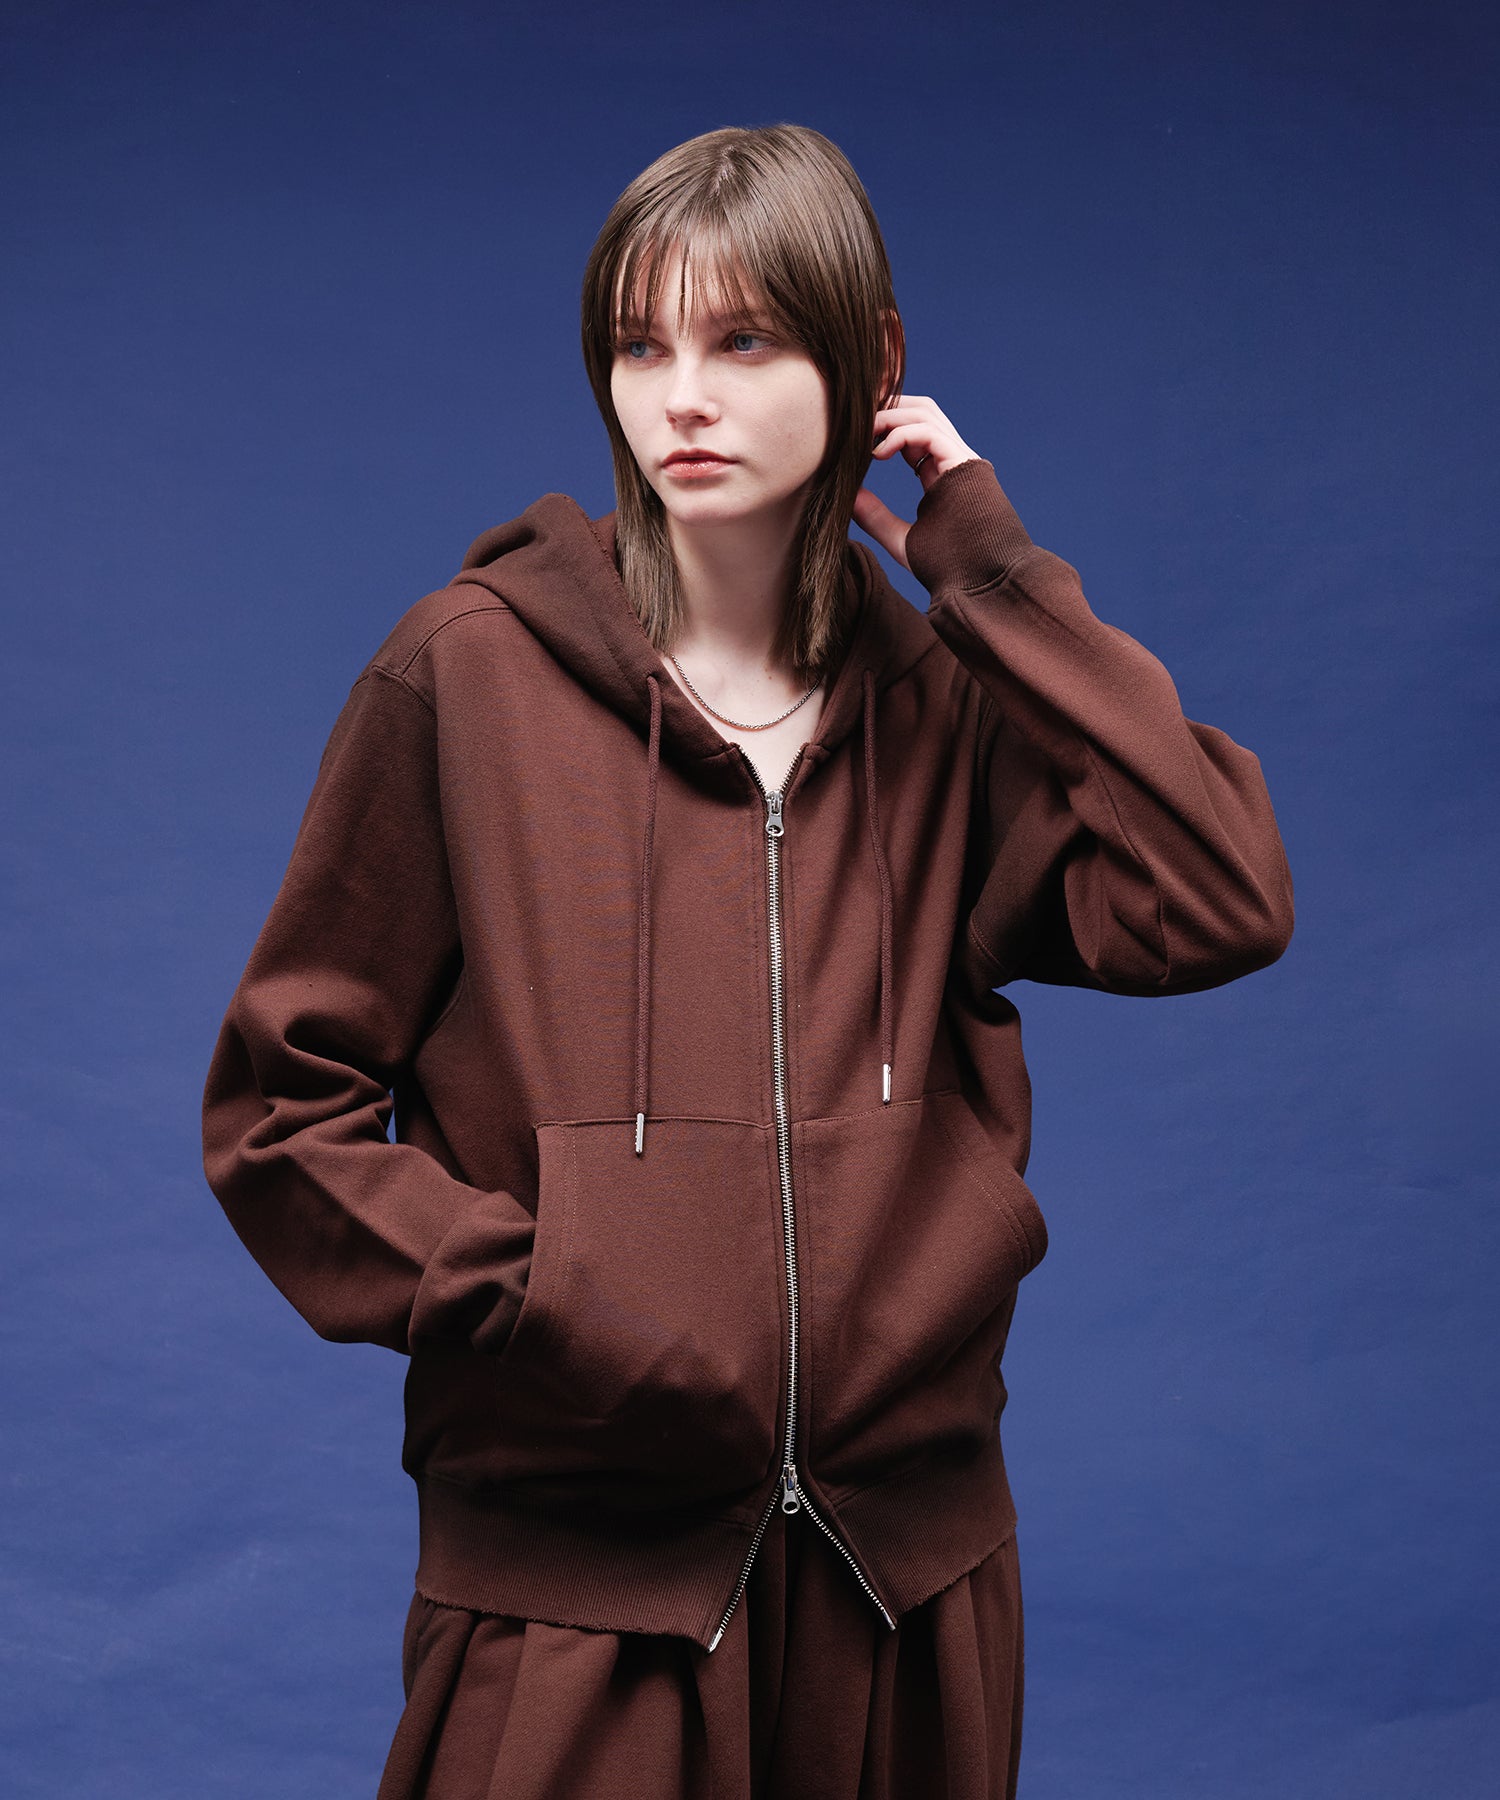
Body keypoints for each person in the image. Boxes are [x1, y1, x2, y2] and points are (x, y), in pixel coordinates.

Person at [200, 123, 1295, 1799]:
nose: (682, 399)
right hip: (578, 1588)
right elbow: (281, 1113)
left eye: (745, 340)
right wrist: (542, 1300)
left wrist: (994, 576)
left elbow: (1219, 895)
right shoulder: (467, 677)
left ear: (871, 364)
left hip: (903, 1584)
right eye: (640, 346)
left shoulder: (942, 709)